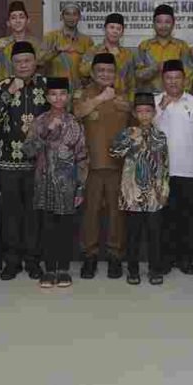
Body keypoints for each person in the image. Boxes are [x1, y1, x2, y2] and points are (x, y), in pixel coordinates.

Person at [23, 77, 89, 289]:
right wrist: (47, 131)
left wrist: (80, 187)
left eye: (62, 94)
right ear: (47, 97)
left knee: (65, 228)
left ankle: (63, 269)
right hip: (44, 183)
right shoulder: (40, 121)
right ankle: (49, 269)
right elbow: (28, 150)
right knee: (47, 227)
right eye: (53, 94)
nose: (58, 98)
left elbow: (82, 156)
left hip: (68, 184)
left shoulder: (75, 123)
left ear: (67, 96)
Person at [0, 40, 48, 280]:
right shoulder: (1, 85)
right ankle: (12, 261)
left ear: (35, 62)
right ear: (11, 64)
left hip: (38, 163)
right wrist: (9, 92)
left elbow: (59, 115)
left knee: (35, 214)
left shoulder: (46, 85)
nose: (23, 65)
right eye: (18, 62)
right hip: (8, 162)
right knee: (11, 214)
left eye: (27, 61)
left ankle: (33, 261)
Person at [74, 52, 131, 279]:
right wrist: (101, 98)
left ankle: (115, 256)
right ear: (92, 73)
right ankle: (89, 256)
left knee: (117, 214)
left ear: (115, 74)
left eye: (109, 71)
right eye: (101, 71)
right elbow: (77, 112)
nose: (105, 74)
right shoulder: (83, 95)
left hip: (118, 166)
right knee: (91, 213)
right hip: (91, 166)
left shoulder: (123, 97)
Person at [110, 93, 170, 286]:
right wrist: (130, 140)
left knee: (155, 234)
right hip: (132, 193)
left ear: (154, 113)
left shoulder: (160, 136)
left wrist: (164, 190)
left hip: (154, 194)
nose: (144, 115)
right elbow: (114, 152)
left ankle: (155, 269)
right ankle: (133, 269)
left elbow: (164, 164)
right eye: (140, 111)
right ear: (135, 114)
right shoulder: (127, 133)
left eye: (148, 111)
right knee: (133, 234)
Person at [155, 59, 193, 275]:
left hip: (189, 170)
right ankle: (166, 259)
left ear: (184, 79)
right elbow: (147, 130)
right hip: (162, 172)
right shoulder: (155, 102)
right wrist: (161, 109)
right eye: (169, 78)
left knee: (188, 217)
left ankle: (185, 259)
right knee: (165, 218)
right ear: (163, 80)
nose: (173, 82)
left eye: (177, 77)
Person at [79, 12, 143, 99]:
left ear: (122, 32)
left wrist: (131, 101)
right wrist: (99, 57)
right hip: (97, 98)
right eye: (111, 27)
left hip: (121, 99)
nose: (115, 31)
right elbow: (83, 72)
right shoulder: (93, 51)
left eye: (118, 29)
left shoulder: (127, 54)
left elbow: (132, 82)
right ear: (105, 29)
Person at [136, 4, 193, 94]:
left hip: (176, 97)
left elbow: (188, 76)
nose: (163, 26)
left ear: (173, 23)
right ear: (153, 24)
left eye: (167, 22)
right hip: (149, 98)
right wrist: (155, 68)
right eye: (159, 22)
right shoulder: (144, 46)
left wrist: (178, 97)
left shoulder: (182, 46)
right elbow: (137, 76)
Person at [39, 1, 94, 90]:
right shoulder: (50, 37)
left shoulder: (87, 41)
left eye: (74, 14)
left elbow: (90, 68)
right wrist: (56, 51)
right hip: (55, 91)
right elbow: (39, 61)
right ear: (62, 16)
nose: (71, 18)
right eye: (67, 14)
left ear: (79, 17)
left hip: (77, 90)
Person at [0, 1, 43, 84]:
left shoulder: (36, 44)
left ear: (28, 20)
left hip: (30, 87)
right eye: (13, 18)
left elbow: (42, 69)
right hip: (5, 87)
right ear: (8, 23)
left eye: (21, 17)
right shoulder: (0, 43)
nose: (17, 21)